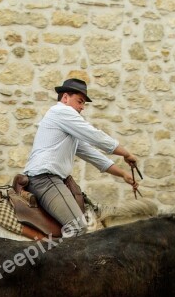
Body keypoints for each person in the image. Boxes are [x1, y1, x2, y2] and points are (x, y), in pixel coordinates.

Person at [23, 78, 140, 235]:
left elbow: (92, 155)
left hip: (47, 180)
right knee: (78, 228)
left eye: (84, 103)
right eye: (80, 101)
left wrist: (123, 174)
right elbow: (96, 137)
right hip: (45, 180)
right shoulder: (61, 111)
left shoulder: (66, 126)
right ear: (65, 98)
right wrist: (126, 153)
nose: (82, 107)